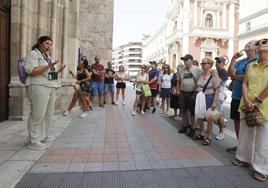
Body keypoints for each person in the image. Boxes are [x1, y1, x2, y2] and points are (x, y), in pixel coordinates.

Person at [232, 38, 268, 182]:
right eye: (258, 43)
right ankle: (243, 158)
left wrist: (257, 100)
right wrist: (247, 100)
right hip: (246, 104)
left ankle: (261, 168)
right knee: (246, 135)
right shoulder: (251, 65)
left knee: (263, 140)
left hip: (264, 106)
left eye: (265, 42)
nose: (260, 44)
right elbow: (245, 83)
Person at [24, 36, 66, 150]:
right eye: (47, 43)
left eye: (51, 44)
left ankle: (44, 135)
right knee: (37, 114)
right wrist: (48, 65)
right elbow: (31, 71)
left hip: (49, 86)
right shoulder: (33, 54)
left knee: (48, 113)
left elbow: (49, 75)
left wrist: (59, 70)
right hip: (38, 86)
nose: (49, 46)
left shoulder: (47, 57)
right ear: (40, 43)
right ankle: (34, 140)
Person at [227, 40, 258, 152]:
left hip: (249, 98)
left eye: (250, 43)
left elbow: (250, 77)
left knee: (249, 123)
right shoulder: (240, 61)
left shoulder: (259, 60)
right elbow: (230, 73)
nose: (247, 44)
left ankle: (249, 148)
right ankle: (240, 145)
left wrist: (236, 77)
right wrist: (233, 59)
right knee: (236, 121)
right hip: (236, 95)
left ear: (255, 47)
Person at [195, 58, 220, 145]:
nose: (202, 64)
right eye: (201, 63)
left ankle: (209, 137)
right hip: (200, 97)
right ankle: (202, 133)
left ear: (209, 64)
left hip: (209, 97)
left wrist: (214, 102)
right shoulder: (200, 74)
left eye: (204, 63)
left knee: (209, 118)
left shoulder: (213, 75)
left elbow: (217, 89)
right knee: (200, 116)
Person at [177, 54, 202, 137]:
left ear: (191, 60)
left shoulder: (198, 69)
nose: (184, 62)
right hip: (183, 93)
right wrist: (178, 90)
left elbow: (202, 79)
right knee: (183, 111)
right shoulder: (181, 70)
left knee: (192, 112)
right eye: (184, 60)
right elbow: (179, 81)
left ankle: (192, 128)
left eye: (186, 60)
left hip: (192, 93)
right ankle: (184, 126)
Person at [214, 56, 229, 140]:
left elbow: (217, 82)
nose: (217, 63)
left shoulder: (223, 72)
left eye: (219, 62)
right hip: (214, 94)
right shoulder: (216, 71)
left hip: (219, 96)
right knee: (213, 114)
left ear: (223, 63)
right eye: (216, 61)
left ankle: (221, 132)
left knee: (220, 115)